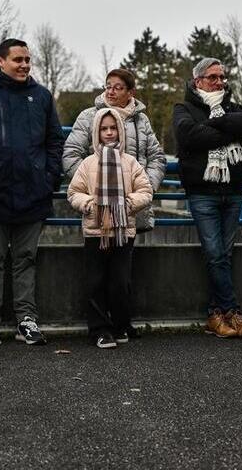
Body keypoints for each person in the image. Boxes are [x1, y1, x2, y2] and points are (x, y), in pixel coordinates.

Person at [0, 38, 64, 346]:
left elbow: (54, 141)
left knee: (26, 257)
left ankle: (26, 319)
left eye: (27, 60)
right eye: (17, 59)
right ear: (0, 61)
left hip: (33, 191)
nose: (24, 65)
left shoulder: (42, 96)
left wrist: (48, 177)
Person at [173, 57, 242, 338]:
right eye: (213, 77)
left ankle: (215, 315)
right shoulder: (183, 108)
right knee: (215, 253)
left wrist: (216, 123)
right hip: (203, 193)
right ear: (198, 81)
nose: (220, 82)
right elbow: (190, 136)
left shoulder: (231, 107)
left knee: (223, 255)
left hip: (233, 192)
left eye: (222, 77)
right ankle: (232, 311)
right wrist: (226, 128)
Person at [67, 109, 153, 349]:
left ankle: (121, 324)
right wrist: (89, 206)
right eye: (103, 128)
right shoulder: (88, 163)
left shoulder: (130, 162)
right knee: (95, 282)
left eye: (112, 128)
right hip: (95, 232)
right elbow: (74, 193)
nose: (108, 132)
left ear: (120, 131)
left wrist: (127, 205)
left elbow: (145, 190)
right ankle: (99, 329)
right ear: (96, 132)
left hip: (123, 231)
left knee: (120, 281)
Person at [62, 68, 166, 233]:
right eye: (108, 86)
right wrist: (93, 186)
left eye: (118, 88)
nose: (110, 91)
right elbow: (70, 154)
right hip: (98, 205)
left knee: (127, 254)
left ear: (130, 92)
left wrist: (146, 188)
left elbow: (157, 157)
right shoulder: (88, 117)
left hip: (132, 206)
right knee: (97, 252)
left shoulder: (141, 119)